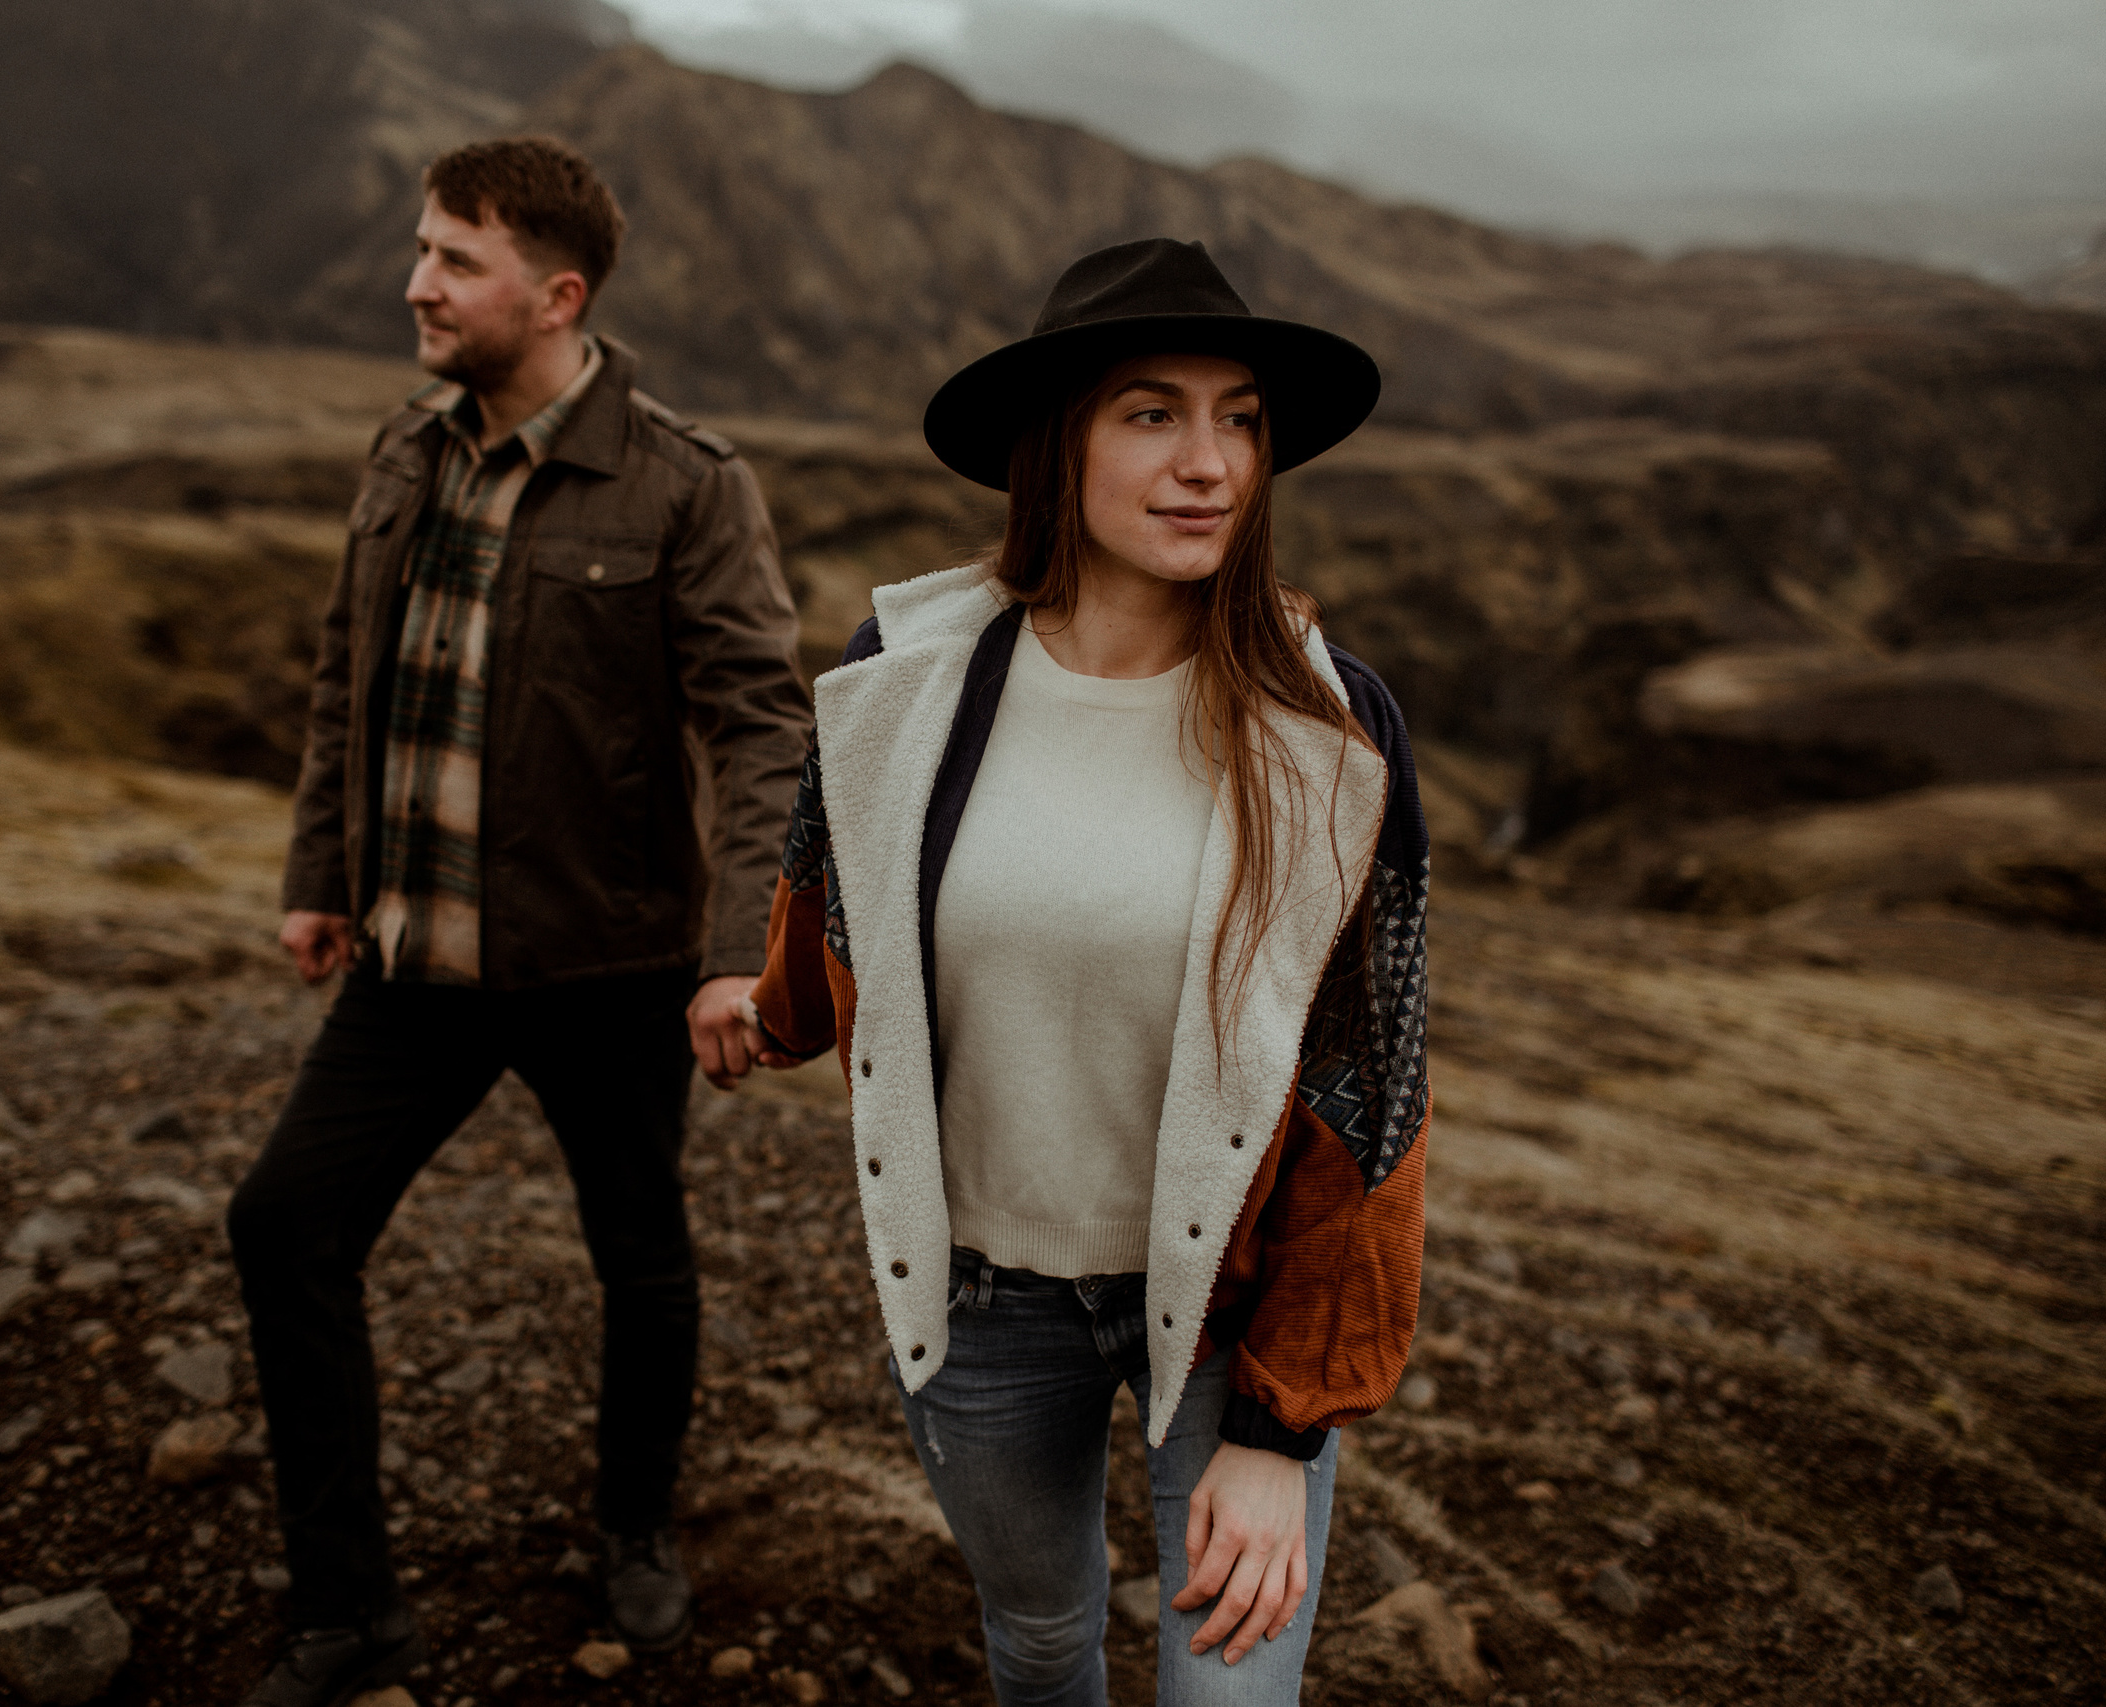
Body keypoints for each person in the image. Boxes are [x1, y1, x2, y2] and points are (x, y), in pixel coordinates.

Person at [739, 238, 1431, 1706]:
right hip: (982, 1306)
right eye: (1151, 413)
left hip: (1229, 1323)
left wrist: (1281, 1432)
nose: (1210, 464)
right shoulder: (908, 676)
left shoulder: (1331, 723)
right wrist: (764, 1009)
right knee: (1043, 1646)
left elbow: (1374, 1092)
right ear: (1056, 445)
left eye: (1240, 417)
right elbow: (836, 892)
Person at [226, 137, 810, 1707]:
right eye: (421, 250)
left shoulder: (688, 483)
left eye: (454, 261)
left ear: (556, 296)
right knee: (283, 1227)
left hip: (610, 968)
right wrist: (317, 877)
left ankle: (634, 1530)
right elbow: (351, 676)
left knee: (641, 1258)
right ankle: (348, 1611)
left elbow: (762, 723)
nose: (415, 283)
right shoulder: (405, 453)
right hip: (416, 963)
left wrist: (733, 956)